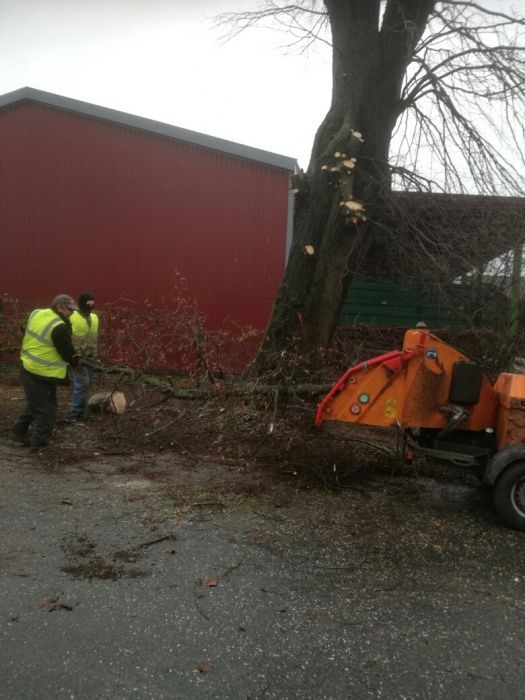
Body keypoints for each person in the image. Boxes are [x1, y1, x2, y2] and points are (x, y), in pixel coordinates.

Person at [11, 294, 80, 450]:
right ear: (60, 307)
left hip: (28, 365)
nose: (72, 313)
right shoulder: (59, 326)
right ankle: (39, 446)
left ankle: (18, 432)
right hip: (41, 371)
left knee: (37, 403)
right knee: (46, 410)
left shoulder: (37, 313)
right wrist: (76, 361)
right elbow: (68, 354)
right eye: (70, 310)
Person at [70, 292, 99, 422]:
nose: (91, 306)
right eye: (88, 304)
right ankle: (76, 415)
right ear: (81, 303)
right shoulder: (72, 317)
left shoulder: (95, 317)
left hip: (91, 356)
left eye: (92, 303)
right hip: (78, 357)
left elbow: (94, 338)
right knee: (82, 383)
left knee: (88, 384)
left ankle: (81, 410)